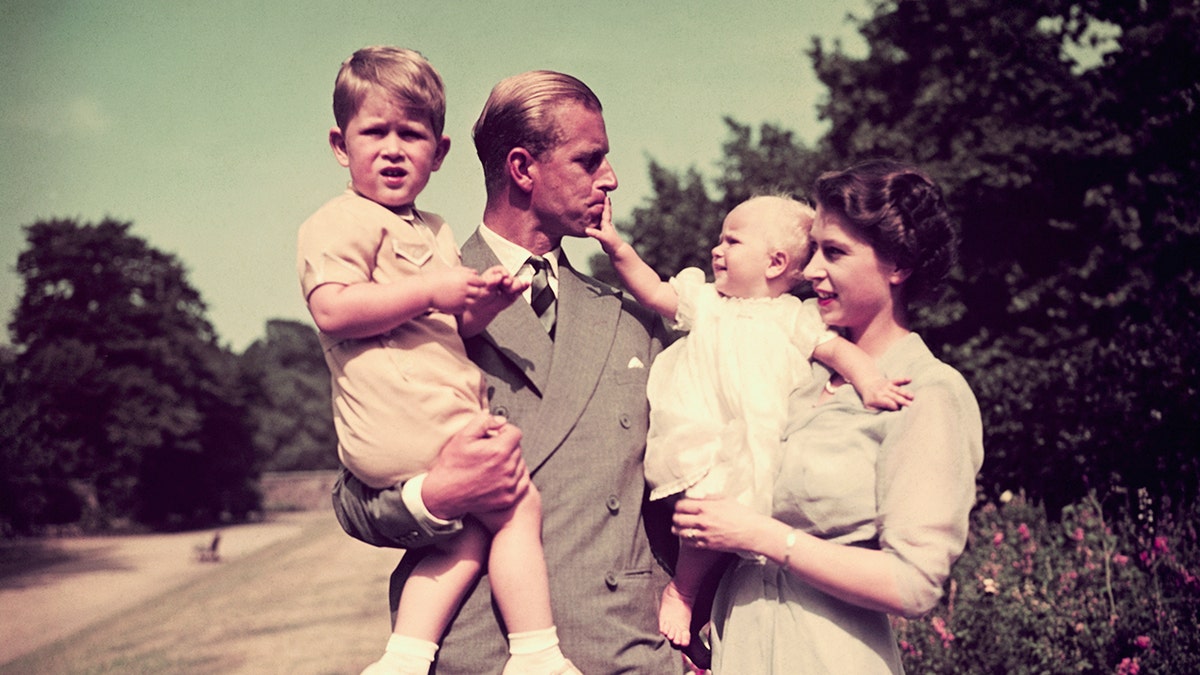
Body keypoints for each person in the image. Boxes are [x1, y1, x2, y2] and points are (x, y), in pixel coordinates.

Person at [329, 69, 683, 674]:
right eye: (589, 159)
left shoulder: (630, 319)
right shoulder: (401, 300)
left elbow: (680, 491)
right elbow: (354, 501)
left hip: (623, 653)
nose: (612, 179)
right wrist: (437, 496)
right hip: (478, 656)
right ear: (523, 169)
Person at [296, 47, 579, 675]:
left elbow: (452, 325)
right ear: (341, 146)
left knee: (477, 529)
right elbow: (334, 311)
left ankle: (404, 655)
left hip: (435, 419)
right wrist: (431, 289)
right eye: (375, 133)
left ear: (439, 153)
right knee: (517, 505)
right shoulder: (337, 222)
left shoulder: (433, 229)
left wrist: (483, 302)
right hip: (403, 425)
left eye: (411, 135)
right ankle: (537, 653)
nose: (393, 149)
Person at [669, 160, 984, 673]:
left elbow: (914, 583)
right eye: (812, 249)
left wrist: (761, 536)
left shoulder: (928, 392)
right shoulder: (794, 375)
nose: (811, 269)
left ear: (898, 266)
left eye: (834, 252)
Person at [587, 193, 913, 648]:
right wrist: (618, 249)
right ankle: (682, 590)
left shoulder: (793, 318)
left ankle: (712, 615)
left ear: (775, 262)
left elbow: (838, 351)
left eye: (732, 241)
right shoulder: (706, 302)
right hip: (702, 433)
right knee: (707, 509)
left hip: (760, 441)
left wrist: (870, 382)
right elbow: (655, 291)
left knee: (746, 524)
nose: (716, 250)